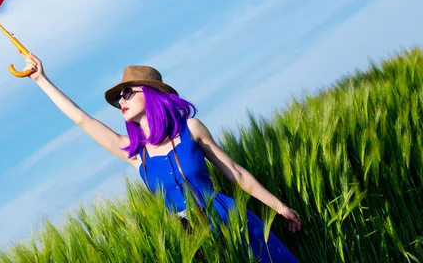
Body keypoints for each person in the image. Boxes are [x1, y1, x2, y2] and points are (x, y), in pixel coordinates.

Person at [21, 53, 301, 262]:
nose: (121, 101)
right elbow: (83, 120)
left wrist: (279, 207)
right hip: (190, 239)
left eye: (128, 93)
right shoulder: (135, 154)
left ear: (151, 94)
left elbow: (236, 173)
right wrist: (41, 80)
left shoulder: (191, 129)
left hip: (229, 221)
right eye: (119, 97)